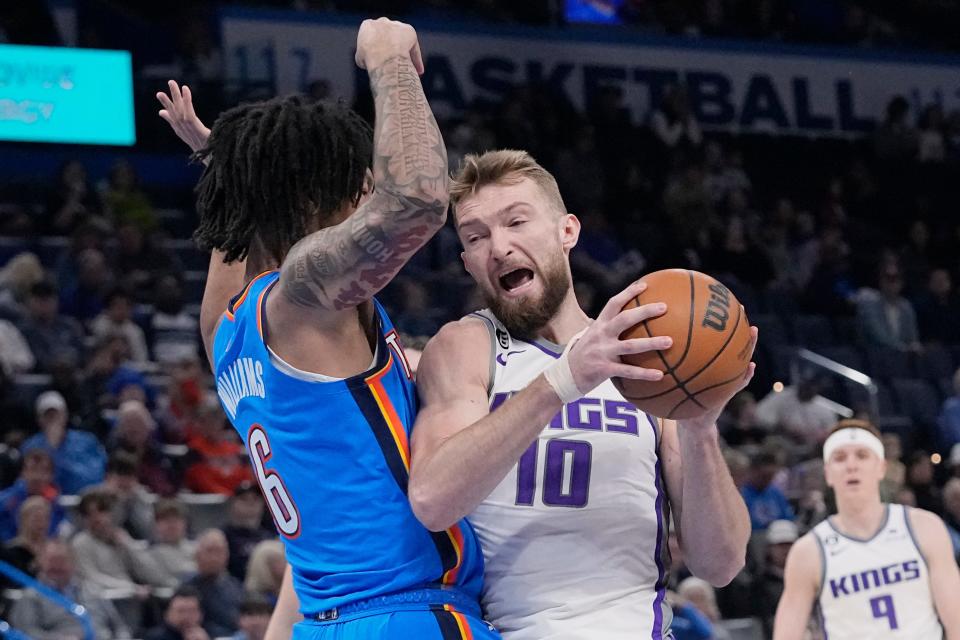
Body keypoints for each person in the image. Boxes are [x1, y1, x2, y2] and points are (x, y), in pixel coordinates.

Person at [156, 16, 498, 639]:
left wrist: (223, 155)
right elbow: (418, 199)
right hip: (403, 615)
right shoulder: (303, 295)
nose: (369, 194)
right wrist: (389, 58)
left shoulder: (223, 330)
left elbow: (247, 212)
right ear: (314, 203)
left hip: (327, 621)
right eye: (357, 184)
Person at [402, 150, 753, 638]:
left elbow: (721, 563)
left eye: (516, 222)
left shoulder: (644, 355)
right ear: (467, 263)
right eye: (476, 237)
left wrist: (698, 424)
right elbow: (433, 499)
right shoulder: (468, 346)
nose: (499, 247)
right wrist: (564, 380)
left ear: (567, 231)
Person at [773, 419, 960, 639]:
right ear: (828, 473)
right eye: (840, 458)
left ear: (881, 467)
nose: (851, 465)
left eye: (862, 455)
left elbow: (956, 620)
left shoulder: (924, 527)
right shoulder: (808, 551)